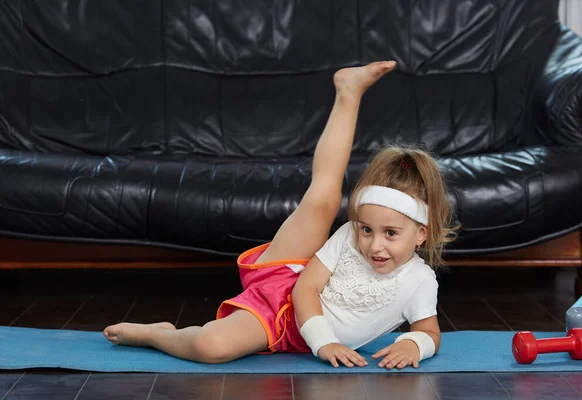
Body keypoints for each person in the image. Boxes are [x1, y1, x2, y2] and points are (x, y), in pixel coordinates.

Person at [103, 60, 458, 369]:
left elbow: (429, 332)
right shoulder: (349, 237)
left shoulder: (420, 281)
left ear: (422, 233)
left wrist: (414, 346)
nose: (374, 245)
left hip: (289, 334)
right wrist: (325, 343)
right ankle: (348, 92)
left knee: (209, 344)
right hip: (285, 295)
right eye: (366, 229)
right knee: (321, 198)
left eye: (391, 234)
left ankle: (162, 333)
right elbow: (305, 286)